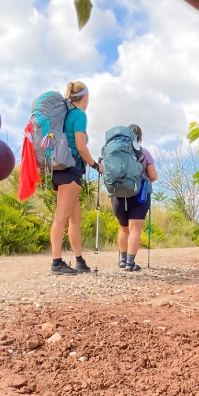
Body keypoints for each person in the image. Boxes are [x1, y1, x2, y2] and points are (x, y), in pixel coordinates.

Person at [49, 81, 102, 275]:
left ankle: (79, 260)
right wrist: (96, 165)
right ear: (85, 98)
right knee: (61, 218)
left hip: (60, 169)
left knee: (74, 220)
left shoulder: (64, 116)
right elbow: (81, 146)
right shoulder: (79, 115)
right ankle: (56, 263)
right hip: (70, 170)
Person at [114, 124, 157, 272]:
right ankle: (130, 263)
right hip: (139, 195)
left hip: (118, 194)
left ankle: (122, 259)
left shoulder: (116, 152)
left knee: (124, 229)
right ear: (140, 138)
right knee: (135, 230)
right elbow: (153, 176)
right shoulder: (144, 153)